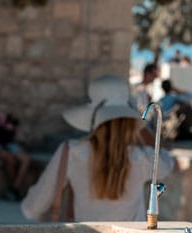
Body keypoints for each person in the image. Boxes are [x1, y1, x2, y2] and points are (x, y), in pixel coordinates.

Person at [20, 75, 175, 222]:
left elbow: (32, 207)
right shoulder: (143, 158)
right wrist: (142, 130)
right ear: (129, 121)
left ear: (92, 118)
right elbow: (168, 163)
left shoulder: (72, 152)